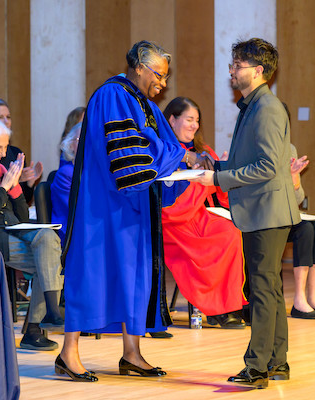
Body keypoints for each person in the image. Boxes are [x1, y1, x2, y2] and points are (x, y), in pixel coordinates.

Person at [57, 40, 206, 382]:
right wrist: (177, 156)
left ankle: (132, 354)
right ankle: (68, 354)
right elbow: (132, 152)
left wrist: (186, 157)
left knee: (134, 279)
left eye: (166, 77)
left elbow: (168, 145)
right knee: (93, 274)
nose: (163, 84)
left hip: (135, 205)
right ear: (139, 67)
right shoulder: (112, 95)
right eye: (159, 75)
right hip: (104, 206)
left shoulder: (145, 104)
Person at [191, 38, 303, 388]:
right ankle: (277, 361)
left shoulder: (266, 108)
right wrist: (218, 164)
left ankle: (256, 369)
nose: (231, 71)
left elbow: (269, 166)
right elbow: (253, 161)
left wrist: (219, 178)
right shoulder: (253, 105)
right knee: (269, 288)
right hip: (264, 209)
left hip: (267, 211)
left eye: (237, 65)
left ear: (258, 71)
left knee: (263, 289)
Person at [0, 117, 64, 351]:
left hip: (12, 232)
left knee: (49, 241)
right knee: (50, 263)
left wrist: (15, 186)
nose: (3, 152)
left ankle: (50, 313)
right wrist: (4, 187)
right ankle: (37, 327)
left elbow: (22, 218)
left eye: (5, 147)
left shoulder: (3, 171)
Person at [162, 97, 247, 329]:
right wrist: (200, 182)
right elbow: (166, 204)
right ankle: (214, 307)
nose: (194, 125)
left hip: (198, 215)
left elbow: (222, 196)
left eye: (197, 121)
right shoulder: (164, 153)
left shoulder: (204, 152)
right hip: (172, 222)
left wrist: (224, 173)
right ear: (172, 119)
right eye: (189, 119)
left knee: (229, 231)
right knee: (202, 245)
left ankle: (227, 305)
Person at [288, 143, 315, 319]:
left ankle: (313, 297)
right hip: (270, 215)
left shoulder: (290, 149)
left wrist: (295, 179)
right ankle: (299, 299)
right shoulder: (262, 148)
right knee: (305, 230)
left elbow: (298, 198)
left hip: (290, 211)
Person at [0, 97, 43, 204]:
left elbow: (25, 202)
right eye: (0, 117)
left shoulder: (16, 152)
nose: (6, 121)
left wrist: (28, 183)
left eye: (8, 117)